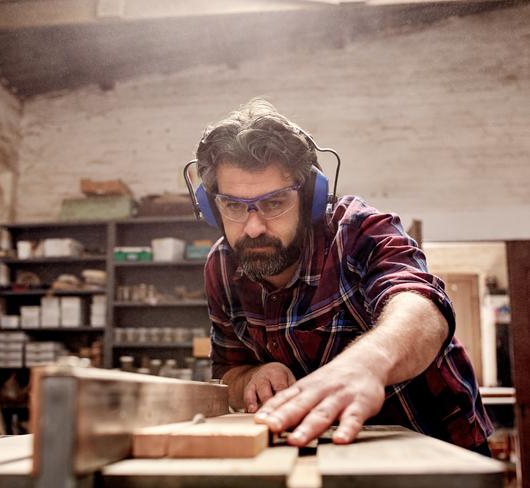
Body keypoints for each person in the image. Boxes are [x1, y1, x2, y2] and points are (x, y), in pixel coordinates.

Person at [190, 98, 493, 454]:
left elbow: (421, 305)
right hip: (325, 452)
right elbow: (228, 369)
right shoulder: (221, 266)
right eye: (234, 206)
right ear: (212, 207)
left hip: (435, 445)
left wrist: (367, 365)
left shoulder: (357, 230)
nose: (253, 228)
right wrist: (252, 378)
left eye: (274, 204)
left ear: (310, 200)